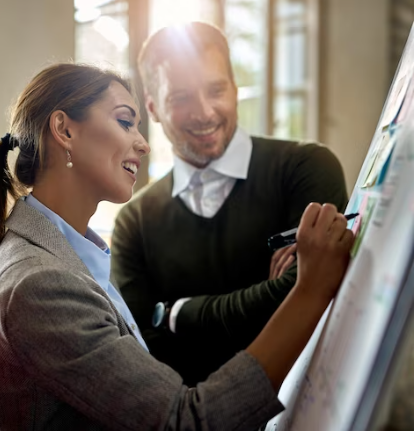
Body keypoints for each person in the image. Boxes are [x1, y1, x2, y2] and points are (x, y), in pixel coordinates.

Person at [0, 62, 354, 430]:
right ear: (64, 130)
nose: (143, 144)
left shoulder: (64, 258)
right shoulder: (39, 283)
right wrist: (310, 289)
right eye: (125, 122)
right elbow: (187, 422)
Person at [111, 22, 349, 385]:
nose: (205, 112)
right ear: (154, 108)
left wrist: (179, 315)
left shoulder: (306, 168)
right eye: (181, 98)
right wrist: (277, 297)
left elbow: (324, 295)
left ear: (235, 90)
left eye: (216, 90)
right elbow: (143, 355)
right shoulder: (134, 222)